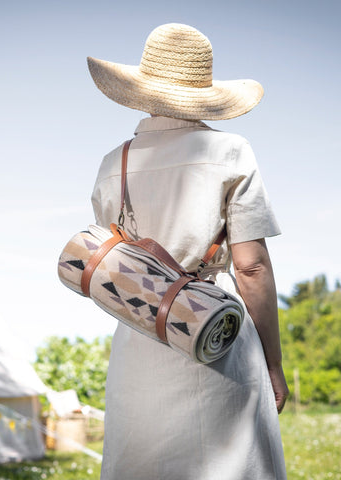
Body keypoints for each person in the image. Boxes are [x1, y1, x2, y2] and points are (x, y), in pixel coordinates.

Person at [87, 24, 289, 479]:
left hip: (140, 334)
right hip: (218, 333)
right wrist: (273, 364)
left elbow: (113, 262)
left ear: (143, 89)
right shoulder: (231, 152)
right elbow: (251, 267)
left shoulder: (111, 164)